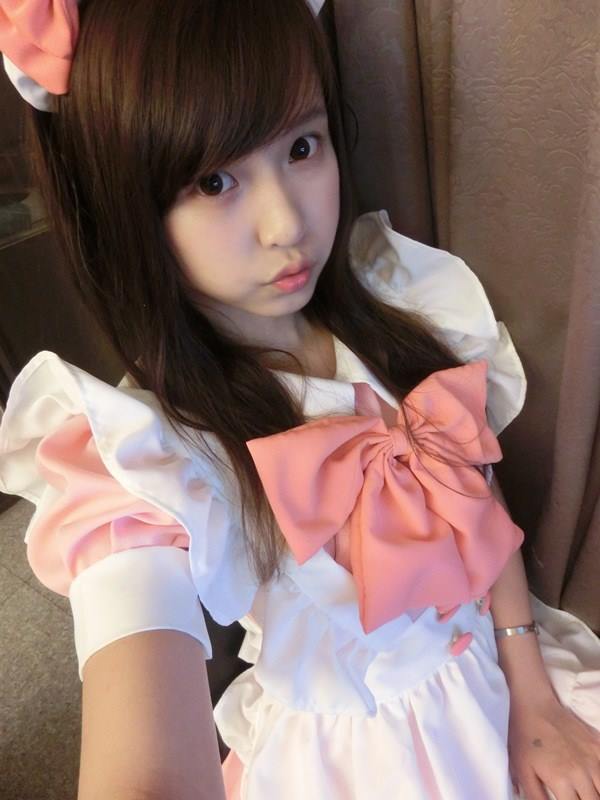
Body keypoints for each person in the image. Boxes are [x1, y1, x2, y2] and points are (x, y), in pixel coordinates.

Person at [0, 1, 599, 798]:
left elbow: (479, 512)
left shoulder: (404, 300)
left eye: (302, 146)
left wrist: (533, 693)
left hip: (505, 668)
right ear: (120, 204)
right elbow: (141, 751)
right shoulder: (147, 454)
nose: (286, 223)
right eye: (214, 181)